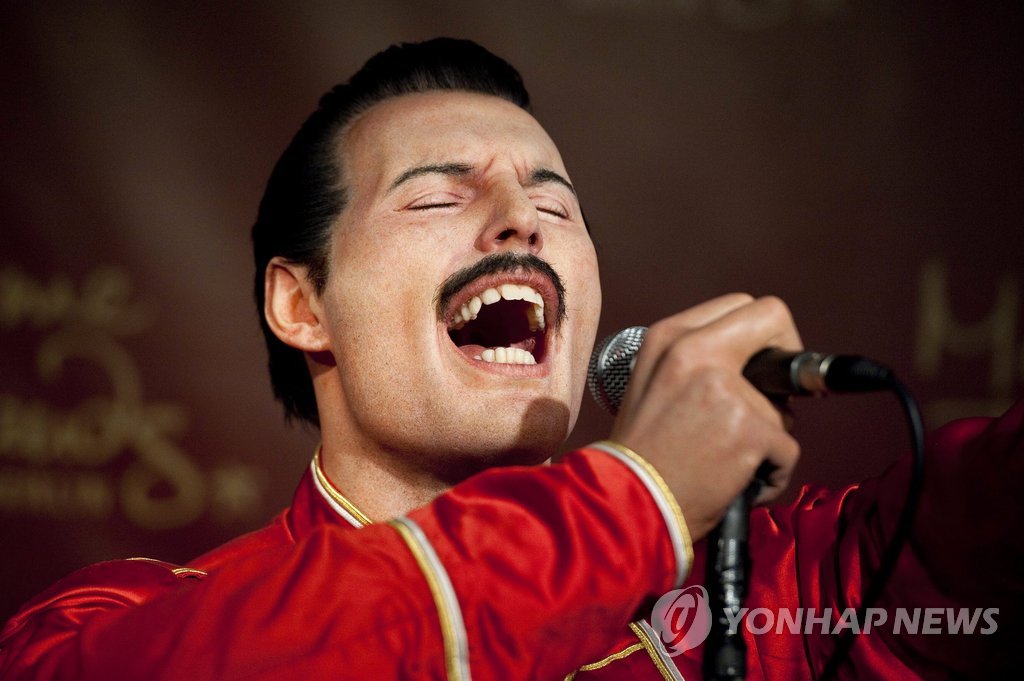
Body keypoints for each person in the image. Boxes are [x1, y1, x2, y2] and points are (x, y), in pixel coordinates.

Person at [0, 37, 1017, 680]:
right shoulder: (111, 624)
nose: (520, 220)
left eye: (555, 204)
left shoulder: (769, 594)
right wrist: (637, 498)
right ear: (301, 305)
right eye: (440, 196)